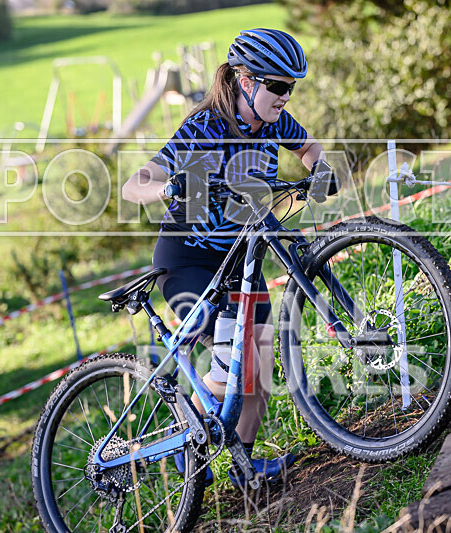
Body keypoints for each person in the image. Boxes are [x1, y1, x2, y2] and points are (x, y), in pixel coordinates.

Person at [122, 28, 335, 488]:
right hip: (188, 262)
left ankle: (242, 466)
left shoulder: (275, 122)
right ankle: (178, 440)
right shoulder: (204, 127)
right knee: (229, 359)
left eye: (291, 87)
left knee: (255, 370)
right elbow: (132, 184)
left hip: (240, 262)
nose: (285, 96)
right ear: (246, 80)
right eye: (278, 86)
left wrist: (319, 169)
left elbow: (309, 147)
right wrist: (165, 188)